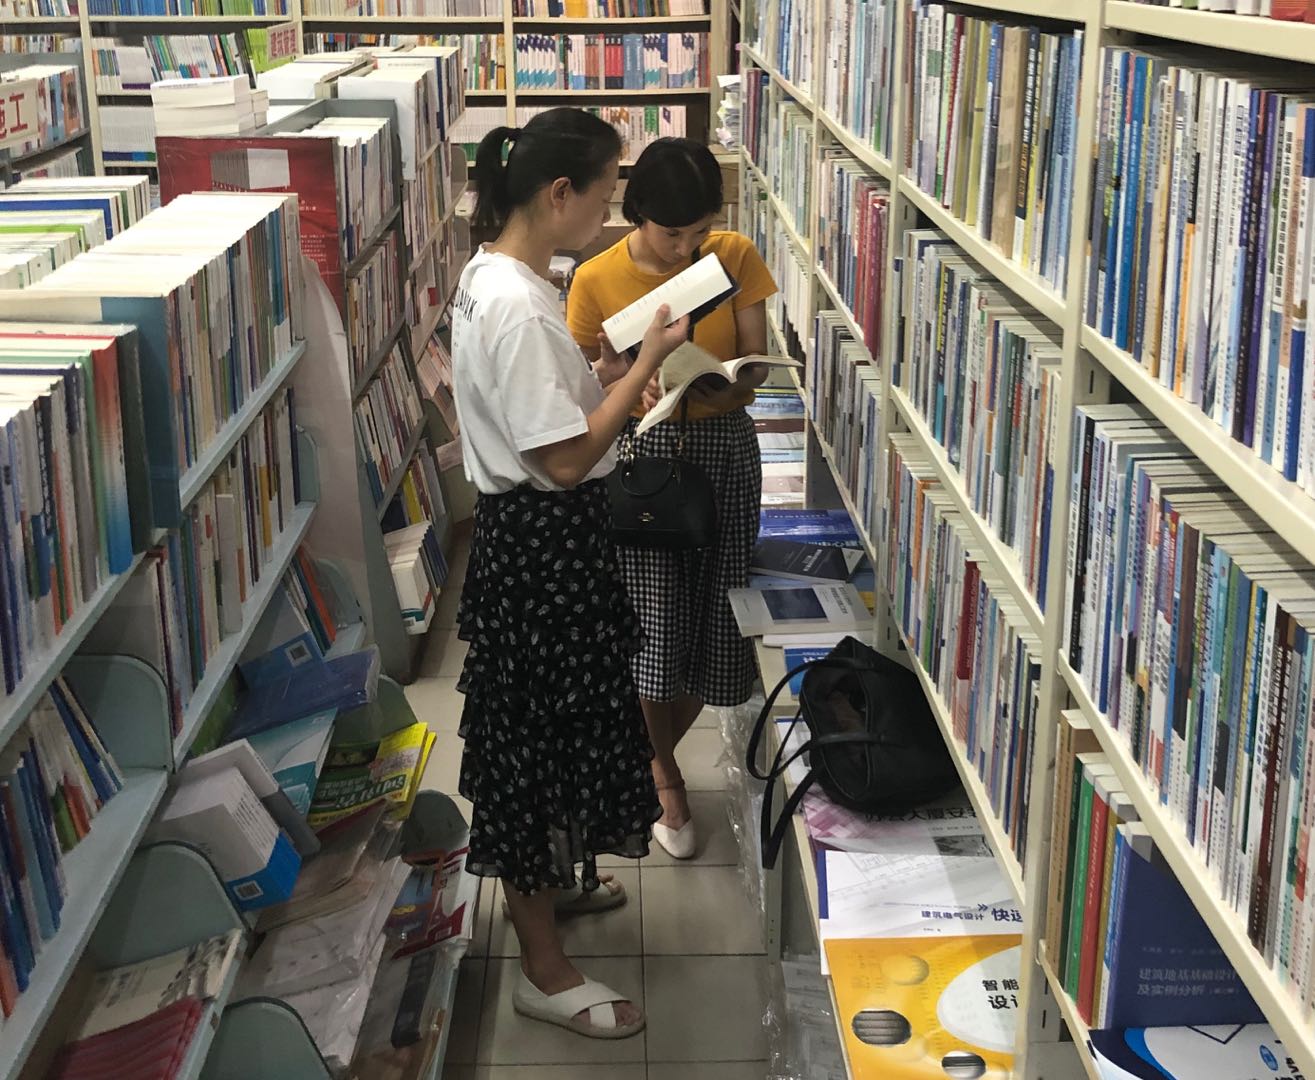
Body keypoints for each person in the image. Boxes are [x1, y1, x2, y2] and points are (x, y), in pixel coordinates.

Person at [450, 108, 688, 1039]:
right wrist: (645, 368)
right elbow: (560, 460)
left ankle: (551, 889)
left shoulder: (496, 275)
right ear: (559, 194)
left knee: (557, 735)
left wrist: (601, 370)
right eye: (604, 193)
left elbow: (536, 413)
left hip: (538, 550)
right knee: (535, 751)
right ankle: (541, 970)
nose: (610, 214)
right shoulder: (517, 306)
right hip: (542, 551)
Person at [567, 137, 779, 859]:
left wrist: (726, 377)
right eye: (671, 234)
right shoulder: (596, 278)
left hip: (725, 452)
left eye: (700, 231)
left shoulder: (733, 255)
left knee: (720, 625)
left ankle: (641, 757)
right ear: (637, 215)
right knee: (653, 633)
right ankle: (664, 778)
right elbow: (582, 382)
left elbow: (754, 363)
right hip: (644, 458)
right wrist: (632, 378)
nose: (688, 248)